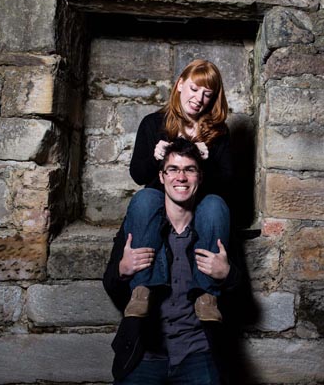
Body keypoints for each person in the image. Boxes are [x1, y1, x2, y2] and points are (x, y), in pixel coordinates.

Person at [103, 138, 240, 384]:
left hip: (198, 352)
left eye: (189, 169)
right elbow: (111, 284)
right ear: (162, 176)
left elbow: (241, 295)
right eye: (173, 169)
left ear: (200, 176)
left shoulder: (214, 226)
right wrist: (123, 270)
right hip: (145, 352)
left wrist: (227, 274)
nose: (181, 177)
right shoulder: (140, 223)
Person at [122, 59, 233, 322]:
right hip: (162, 203)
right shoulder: (153, 123)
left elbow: (229, 185)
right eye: (195, 89)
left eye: (208, 94)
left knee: (215, 204)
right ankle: (142, 289)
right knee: (146, 198)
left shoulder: (218, 132)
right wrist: (154, 156)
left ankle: (207, 295)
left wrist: (208, 162)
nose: (199, 99)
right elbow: (138, 175)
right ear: (180, 84)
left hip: (199, 205)